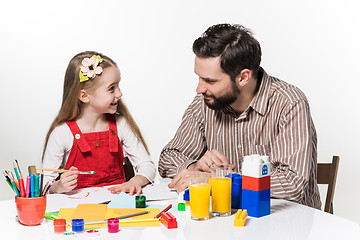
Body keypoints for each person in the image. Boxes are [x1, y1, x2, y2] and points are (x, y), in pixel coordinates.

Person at [158, 24, 321, 209]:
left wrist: (217, 180)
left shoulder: (289, 102)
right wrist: (195, 168)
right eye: (199, 78)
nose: (199, 89)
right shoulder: (205, 101)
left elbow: (291, 183)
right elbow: (168, 158)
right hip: (227, 220)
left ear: (243, 77)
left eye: (210, 80)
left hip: (288, 225)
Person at [42, 51, 156, 195]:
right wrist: (58, 187)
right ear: (84, 96)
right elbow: (44, 184)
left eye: (118, 86)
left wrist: (135, 181)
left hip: (117, 206)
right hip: (77, 210)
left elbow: (147, 166)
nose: (119, 94)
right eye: (111, 88)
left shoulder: (121, 124)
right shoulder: (62, 133)